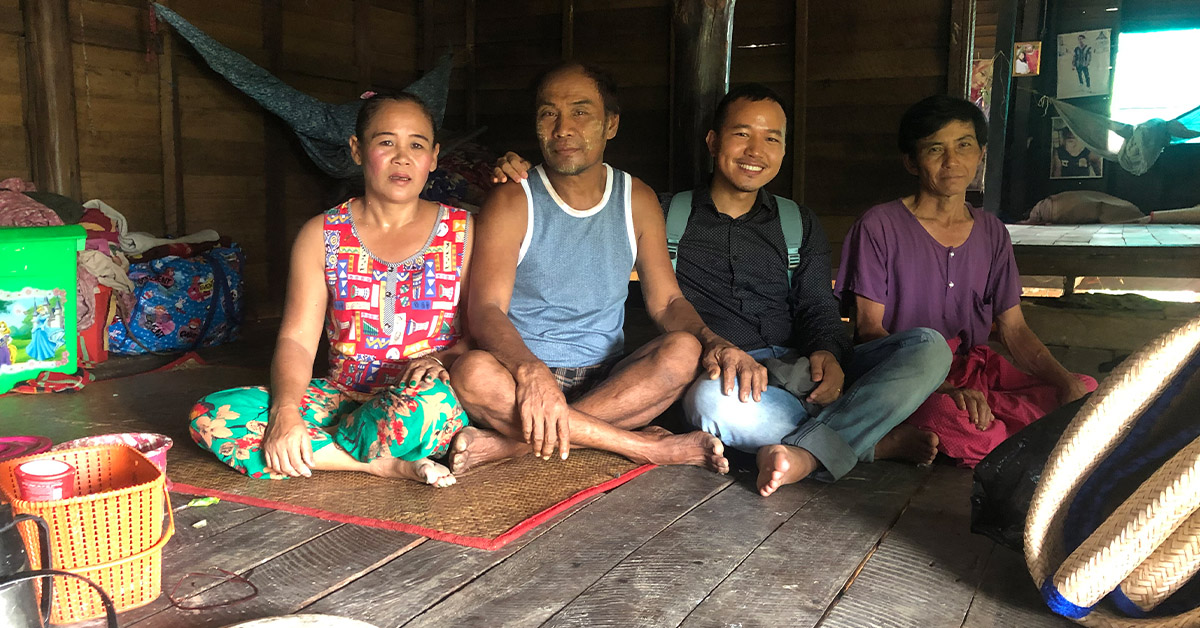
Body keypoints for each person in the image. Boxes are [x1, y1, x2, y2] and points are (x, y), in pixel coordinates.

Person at [491, 84, 952, 497]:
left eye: (772, 138)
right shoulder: (664, 212)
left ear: (784, 149)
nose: (756, 150)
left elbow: (817, 306)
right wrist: (524, 173)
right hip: (732, 384)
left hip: (800, 372)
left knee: (929, 347)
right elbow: (586, 204)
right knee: (712, 405)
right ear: (713, 142)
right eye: (742, 134)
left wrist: (828, 353)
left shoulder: (798, 222)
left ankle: (823, 446)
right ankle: (866, 441)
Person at [449, 63, 753, 475]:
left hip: (611, 381)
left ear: (610, 124)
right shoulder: (512, 200)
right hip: (520, 377)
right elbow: (486, 309)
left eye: (580, 112)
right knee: (472, 372)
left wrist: (713, 340)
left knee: (684, 351)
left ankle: (513, 446)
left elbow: (666, 302)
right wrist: (531, 371)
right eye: (548, 113)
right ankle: (639, 447)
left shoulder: (637, 199)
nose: (562, 128)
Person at [189, 92, 472, 486]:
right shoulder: (322, 234)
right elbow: (297, 341)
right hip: (340, 396)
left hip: (422, 400)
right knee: (212, 414)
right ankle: (378, 463)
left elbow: (483, 331)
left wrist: (442, 363)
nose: (402, 157)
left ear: (434, 157)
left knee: (428, 411)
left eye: (417, 145)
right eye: (386, 142)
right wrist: (285, 411)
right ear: (357, 150)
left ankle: (321, 451)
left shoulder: (463, 231)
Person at [836, 94, 1098, 468]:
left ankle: (1004, 433)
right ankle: (1017, 438)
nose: (952, 161)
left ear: (981, 154)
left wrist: (1064, 383)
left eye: (964, 145)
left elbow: (1015, 331)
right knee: (949, 418)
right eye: (934, 149)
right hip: (908, 378)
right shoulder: (879, 227)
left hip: (976, 371)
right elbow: (867, 331)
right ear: (911, 161)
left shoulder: (992, 232)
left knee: (1085, 389)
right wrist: (946, 388)